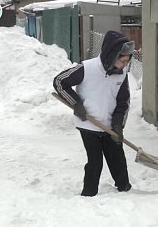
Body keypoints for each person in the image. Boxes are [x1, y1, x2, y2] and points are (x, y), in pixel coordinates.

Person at [53, 31, 135, 196]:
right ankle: (89, 194)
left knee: (118, 158)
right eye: (123, 60)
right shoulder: (87, 68)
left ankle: (125, 190)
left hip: (110, 124)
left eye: (128, 60)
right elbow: (59, 81)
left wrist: (118, 124)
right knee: (95, 162)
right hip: (88, 123)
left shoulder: (122, 74)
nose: (125, 64)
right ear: (112, 55)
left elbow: (123, 102)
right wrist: (76, 103)